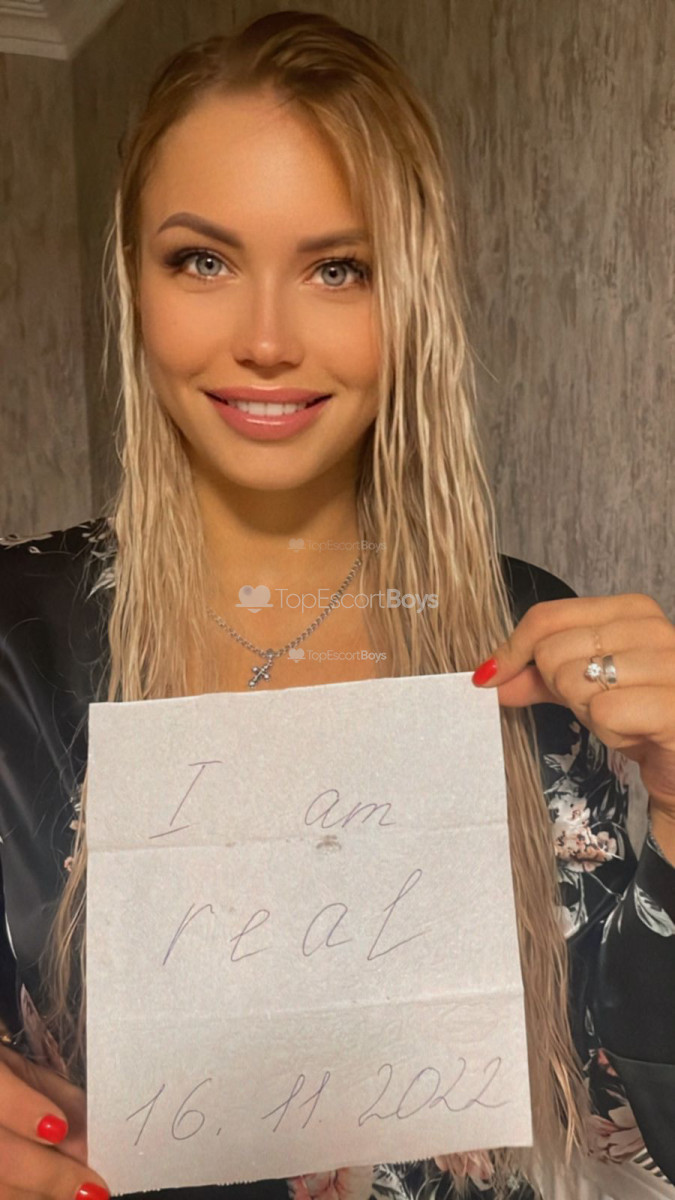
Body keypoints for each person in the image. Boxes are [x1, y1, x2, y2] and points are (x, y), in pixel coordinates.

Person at [0, 9, 673, 1200]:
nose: (266, 340)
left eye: (337, 269)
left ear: (409, 298)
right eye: (203, 261)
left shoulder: (526, 636)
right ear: (134, 281)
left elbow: (635, 1116)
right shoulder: (15, 640)